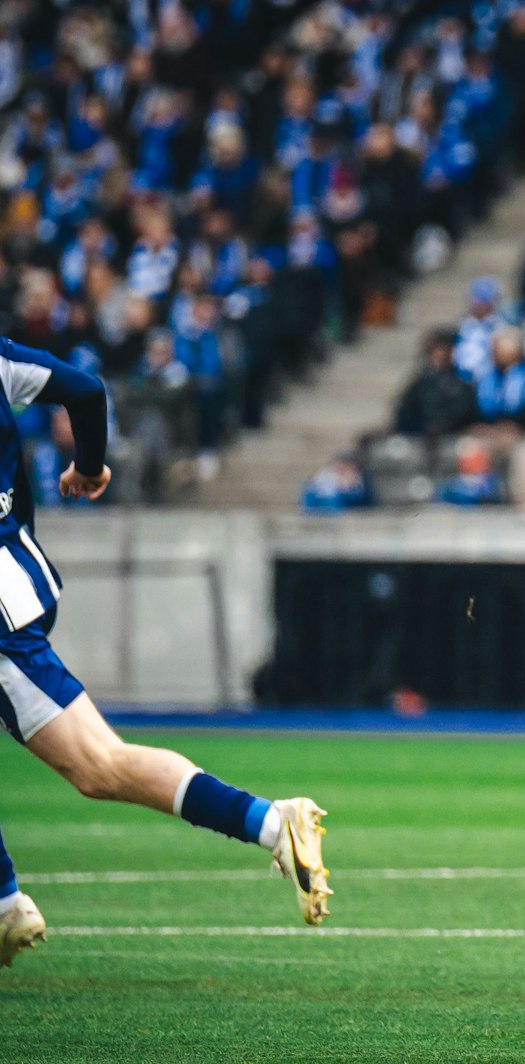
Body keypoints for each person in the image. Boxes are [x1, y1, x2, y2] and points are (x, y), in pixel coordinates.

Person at [0, 338, 330, 967]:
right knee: (99, 769)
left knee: (101, 761)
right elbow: (86, 389)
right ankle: (269, 823)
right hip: (14, 580)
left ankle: (5, 901)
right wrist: (91, 466)